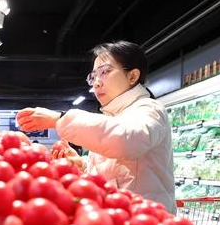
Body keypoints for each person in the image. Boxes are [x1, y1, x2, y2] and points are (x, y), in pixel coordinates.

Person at [15, 40, 176, 213]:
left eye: (105, 72)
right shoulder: (112, 116)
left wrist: (59, 119)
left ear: (133, 76)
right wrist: (81, 163)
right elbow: (115, 168)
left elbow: (125, 140)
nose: (97, 83)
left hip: (148, 221)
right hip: (118, 217)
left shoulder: (150, 109)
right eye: (93, 76)